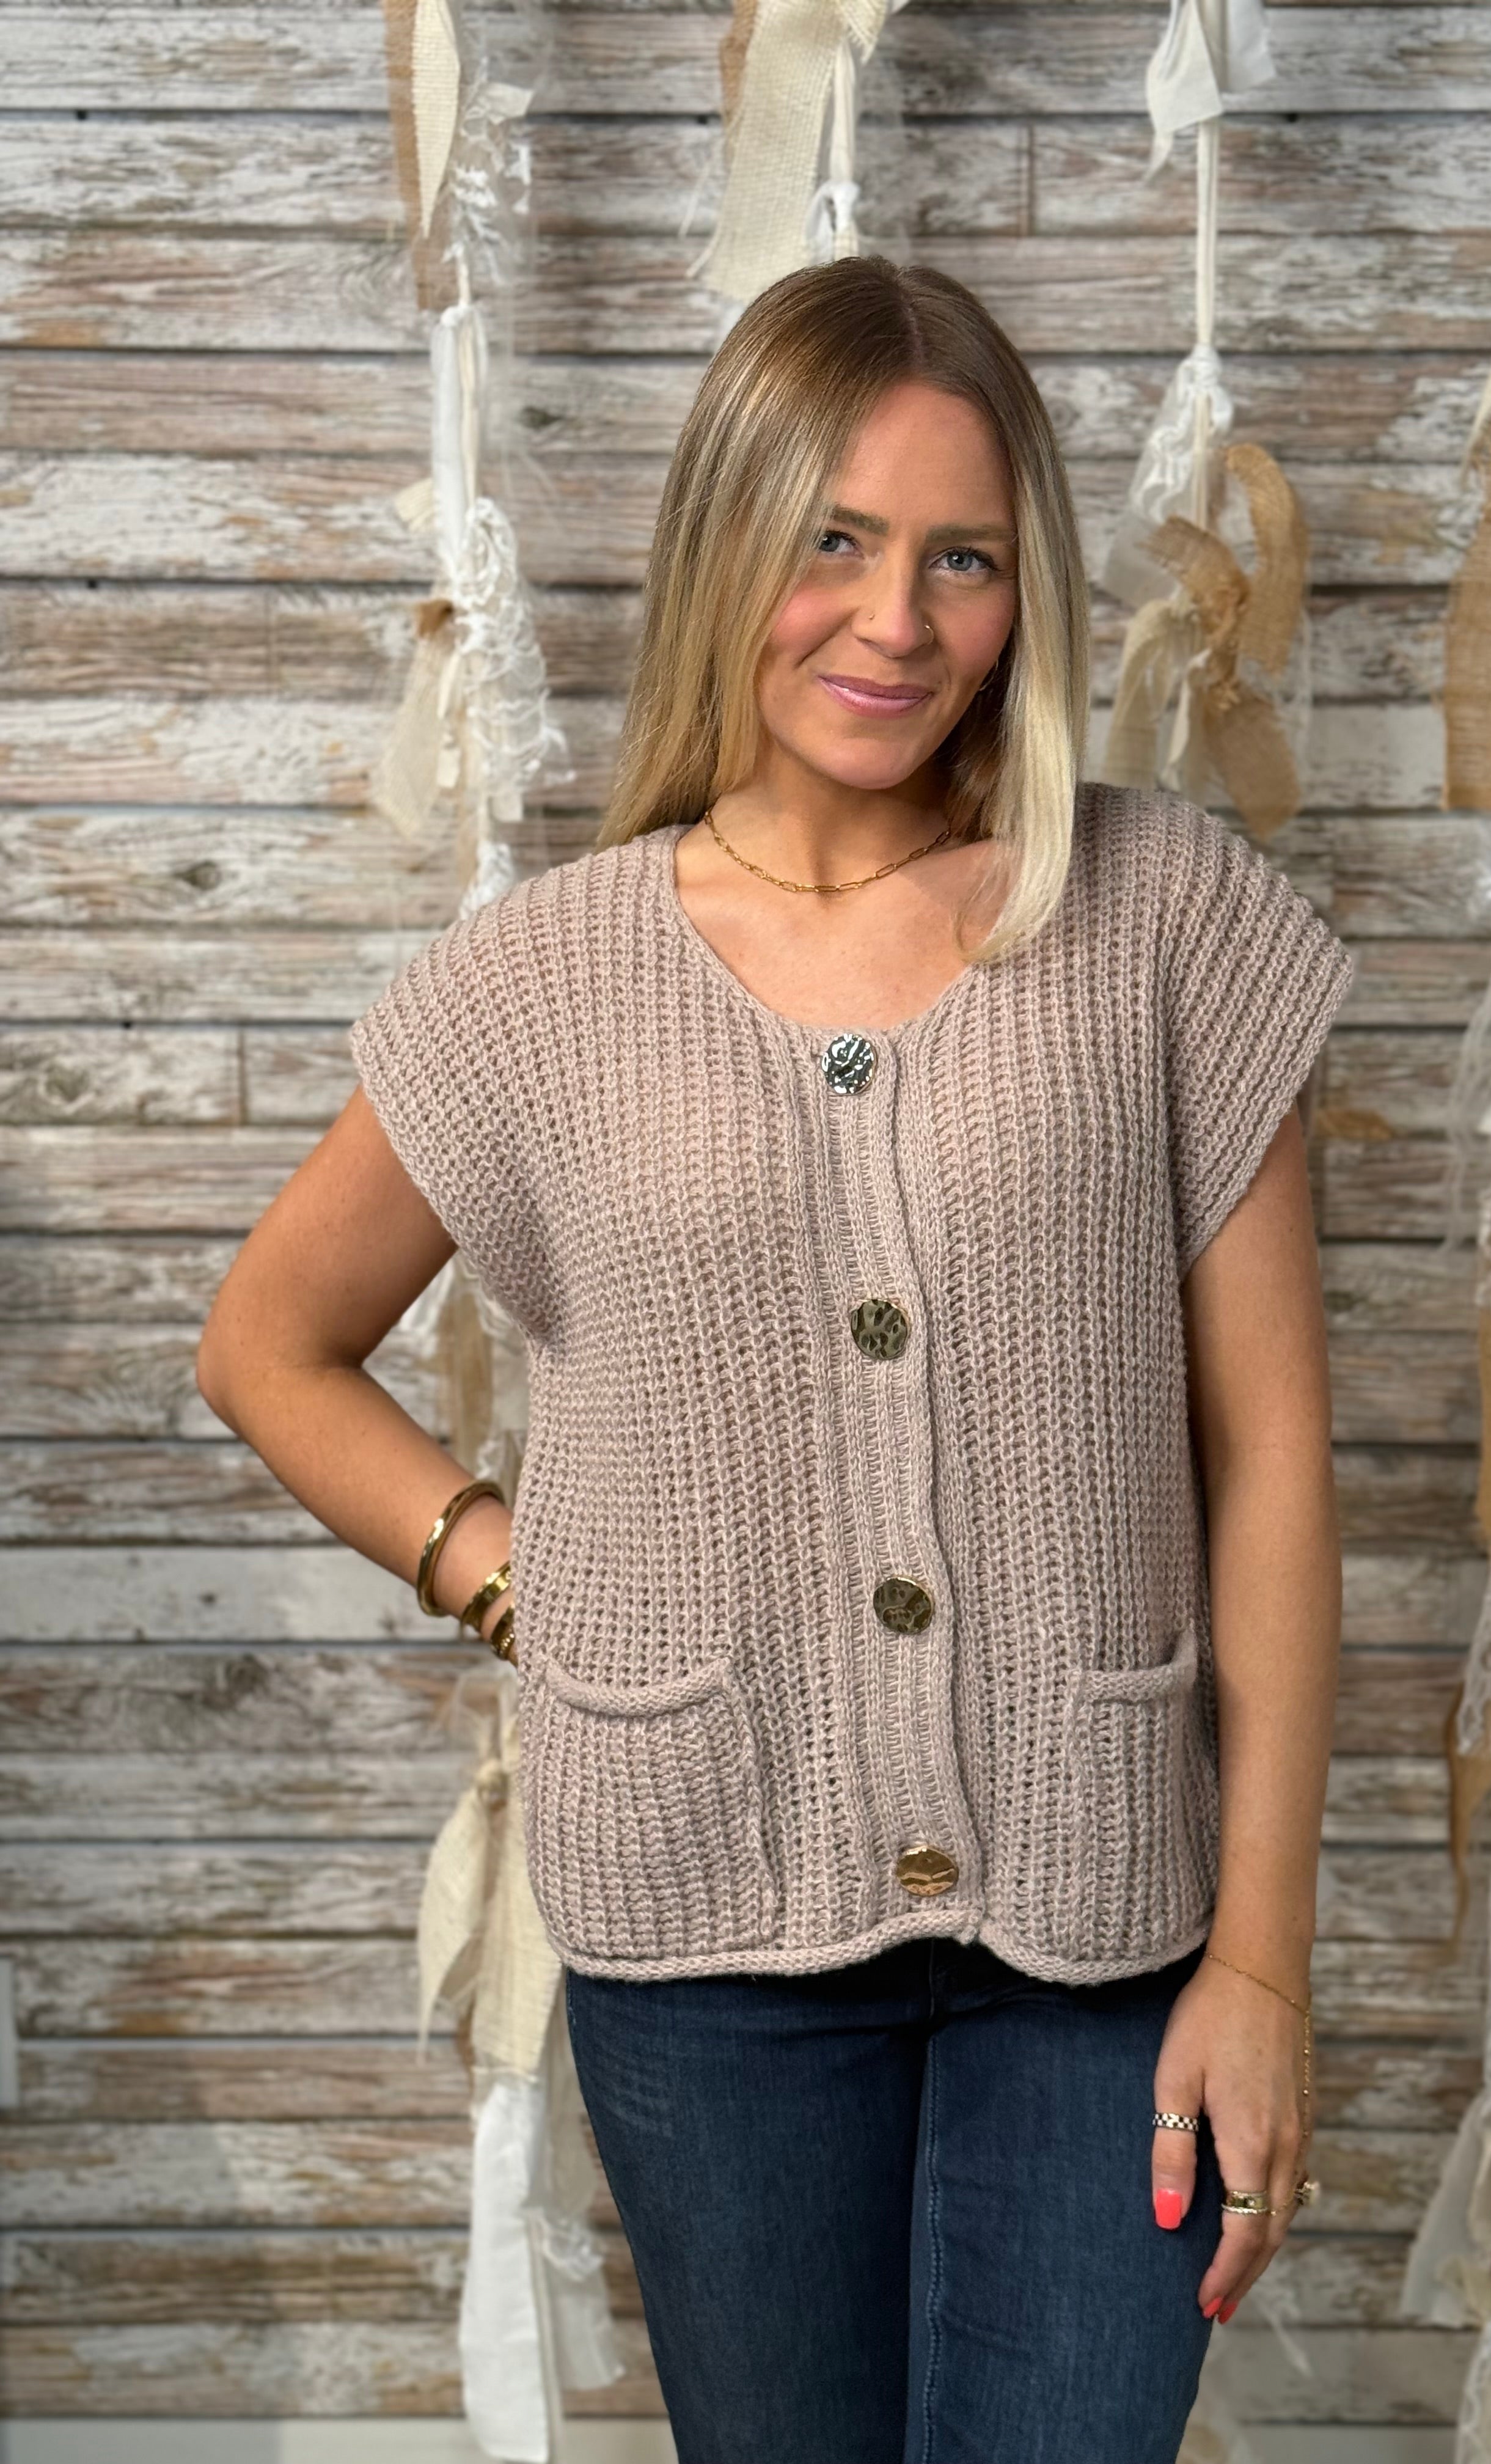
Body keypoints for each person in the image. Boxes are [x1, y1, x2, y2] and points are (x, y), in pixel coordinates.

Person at [196, 254, 1355, 2464]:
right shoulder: (543, 982)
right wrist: (517, 1583)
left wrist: (1264, 1959)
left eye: (963, 559)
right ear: (729, 539)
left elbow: (1275, 1456)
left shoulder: (1160, 922)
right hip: (707, 1949)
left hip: (1107, 1932)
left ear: (1027, 594)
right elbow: (270, 1343)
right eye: (835, 539)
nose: (895, 622)